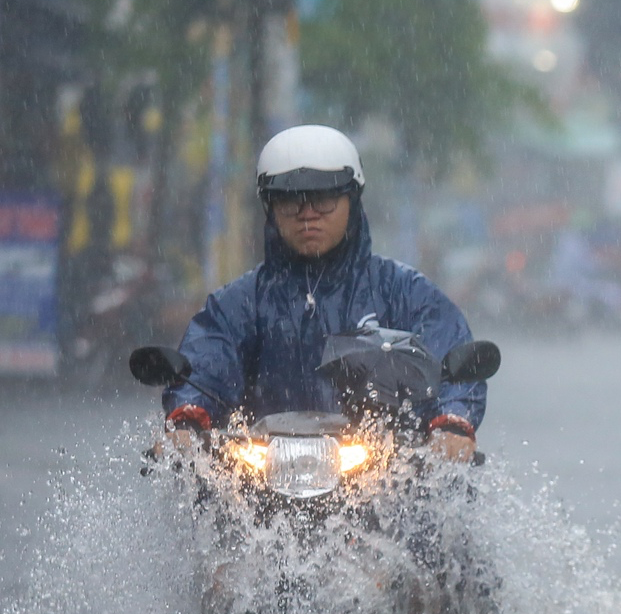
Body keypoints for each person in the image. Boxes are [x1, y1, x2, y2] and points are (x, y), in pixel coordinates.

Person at [157, 125, 485, 461]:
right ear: (270, 209)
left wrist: (452, 425)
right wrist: (187, 419)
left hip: (385, 479)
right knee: (202, 501)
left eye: (323, 199)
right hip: (258, 479)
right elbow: (206, 360)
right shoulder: (237, 304)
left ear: (352, 200)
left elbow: (449, 358)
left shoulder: (405, 292)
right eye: (290, 201)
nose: (308, 214)